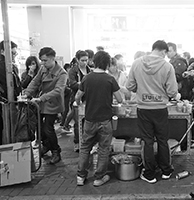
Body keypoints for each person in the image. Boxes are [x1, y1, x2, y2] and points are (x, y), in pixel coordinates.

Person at [126, 40, 180, 184]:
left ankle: (149, 174)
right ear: (164, 51)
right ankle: (166, 171)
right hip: (160, 109)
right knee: (162, 140)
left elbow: (130, 86)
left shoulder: (137, 63)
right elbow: (172, 91)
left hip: (143, 109)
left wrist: (142, 89)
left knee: (147, 141)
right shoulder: (167, 66)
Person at [76, 50, 123, 187]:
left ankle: (80, 176)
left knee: (85, 148)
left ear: (93, 62)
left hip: (89, 120)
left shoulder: (87, 78)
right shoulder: (110, 79)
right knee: (103, 149)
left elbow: (78, 96)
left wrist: (80, 104)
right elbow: (119, 98)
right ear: (107, 64)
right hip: (105, 121)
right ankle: (98, 178)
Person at [24, 47, 68, 164]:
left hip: (53, 104)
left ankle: (56, 151)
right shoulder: (43, 69)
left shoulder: (62, 73)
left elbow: (58, 90)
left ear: (52, 58)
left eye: (45, 60)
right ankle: (46, 144)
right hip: (41, 103)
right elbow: (35, 81)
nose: (42, 63)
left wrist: (42, 98)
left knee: (48, 128)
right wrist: (27, 93)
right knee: (39, 127)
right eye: (41, 61)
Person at [64, 51, 91, 152]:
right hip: (76, 99)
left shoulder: (89, 70)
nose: (85, 62)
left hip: (88, 100)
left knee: (87, 122)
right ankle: (77, 142)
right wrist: (85, 85)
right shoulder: (72, 71)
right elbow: (72, 85)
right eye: (82, 60)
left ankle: (87, 142)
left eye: (86, 60)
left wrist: (82, 83)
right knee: (77, 122)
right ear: (77, 60)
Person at [0, 40, 21, 145]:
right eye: (12, 53)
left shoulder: (10, 66)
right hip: (5, 103)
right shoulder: (3, 66)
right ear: (2, 51)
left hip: (9, 102)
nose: (14, 56)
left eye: (15, 53)